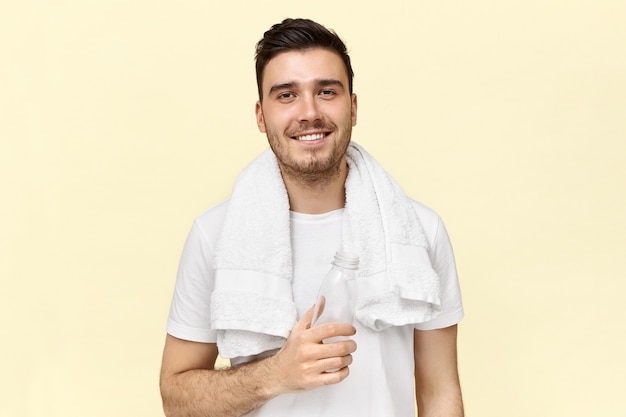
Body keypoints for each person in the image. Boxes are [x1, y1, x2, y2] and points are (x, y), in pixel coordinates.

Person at [160, 18, 464, 417]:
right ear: (260, 115)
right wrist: (275, 374)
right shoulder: (214, 234)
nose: (309, 112)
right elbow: (176, 398)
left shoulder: (418, 231)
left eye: (326, 91)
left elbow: (440, 392)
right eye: (286, 95)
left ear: (352, 107)